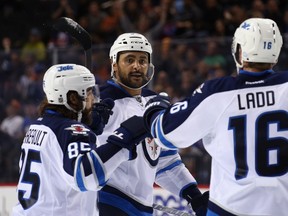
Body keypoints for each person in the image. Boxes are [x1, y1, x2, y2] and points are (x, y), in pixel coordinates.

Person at [143, 18, 287, 215]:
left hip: (229, 208)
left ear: (240, 51)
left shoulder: (217, 93)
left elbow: (164, 133)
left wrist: (154, 108)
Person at [95, 33, 208, 216]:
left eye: (142, 60)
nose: (137, 66)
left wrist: (194, 196)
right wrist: (88, 123)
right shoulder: (101, 104)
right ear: (114, 64)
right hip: (107, 205)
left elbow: (164, 159)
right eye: (129, 60)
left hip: (142, 208)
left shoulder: (153, 103)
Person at [12, 63, 148, 216]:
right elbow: (87, 178)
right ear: (73, 98)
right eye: (89, 93)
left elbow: (60, 159)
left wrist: (88, 129)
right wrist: (123, 140)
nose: (93, 99)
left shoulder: (38, 125)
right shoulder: (71, 131)